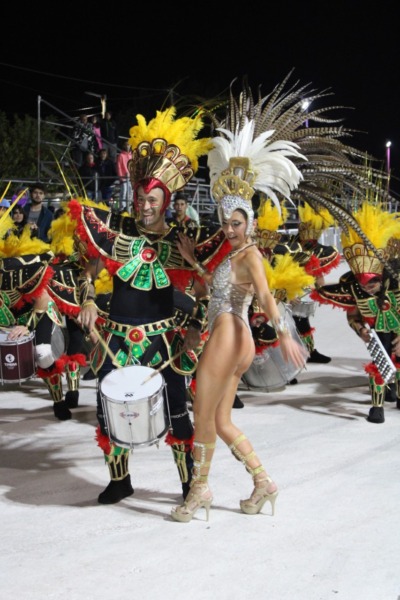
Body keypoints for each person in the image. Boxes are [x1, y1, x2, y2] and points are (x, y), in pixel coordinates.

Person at [74, 106, 229, 505]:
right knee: (108, 409)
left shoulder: (182, 239)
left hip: (164, 340)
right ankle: (120, 480)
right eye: (141, 198)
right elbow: (90, 269)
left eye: (152, 200)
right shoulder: (118, 231)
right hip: (116, 337)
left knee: (177, 410)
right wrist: (88, 298)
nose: (144, 205)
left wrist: (195, 326)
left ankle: (188, 484)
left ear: (167, 201)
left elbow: (204, 290)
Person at [171, 85, 308, 523]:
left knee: (202, 414)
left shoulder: (249, 255)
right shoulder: (234, 257)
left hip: (231, 332)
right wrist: (195, 263)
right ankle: (263, 483)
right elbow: (222, 290)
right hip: (235, 334)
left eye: (237, 222)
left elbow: (264, 295)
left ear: (248, 221)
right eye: (226, 222)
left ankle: (199, 491)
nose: (229, 229)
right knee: (222, 421)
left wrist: (285, 335)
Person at [311, 201, 400, 424]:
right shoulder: (352, 286)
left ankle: (396, 393)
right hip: (378, 333)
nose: (366, 289)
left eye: (371, 285)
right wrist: (360, 329)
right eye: (362, 285)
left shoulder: (397, 281)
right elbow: (352, 315)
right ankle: (377, 407)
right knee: (379, 363)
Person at [115, 140, 133, 209]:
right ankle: (122, 208)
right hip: (124, 177)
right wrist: (121, 177)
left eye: (129, 145)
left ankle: (129, 207)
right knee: (124, 192)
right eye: (126, 145)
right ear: (124, 146)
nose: (128, 146)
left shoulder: (131, 155)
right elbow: (119, 167)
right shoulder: (121, 155)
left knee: (130, 193)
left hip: (131, 177)